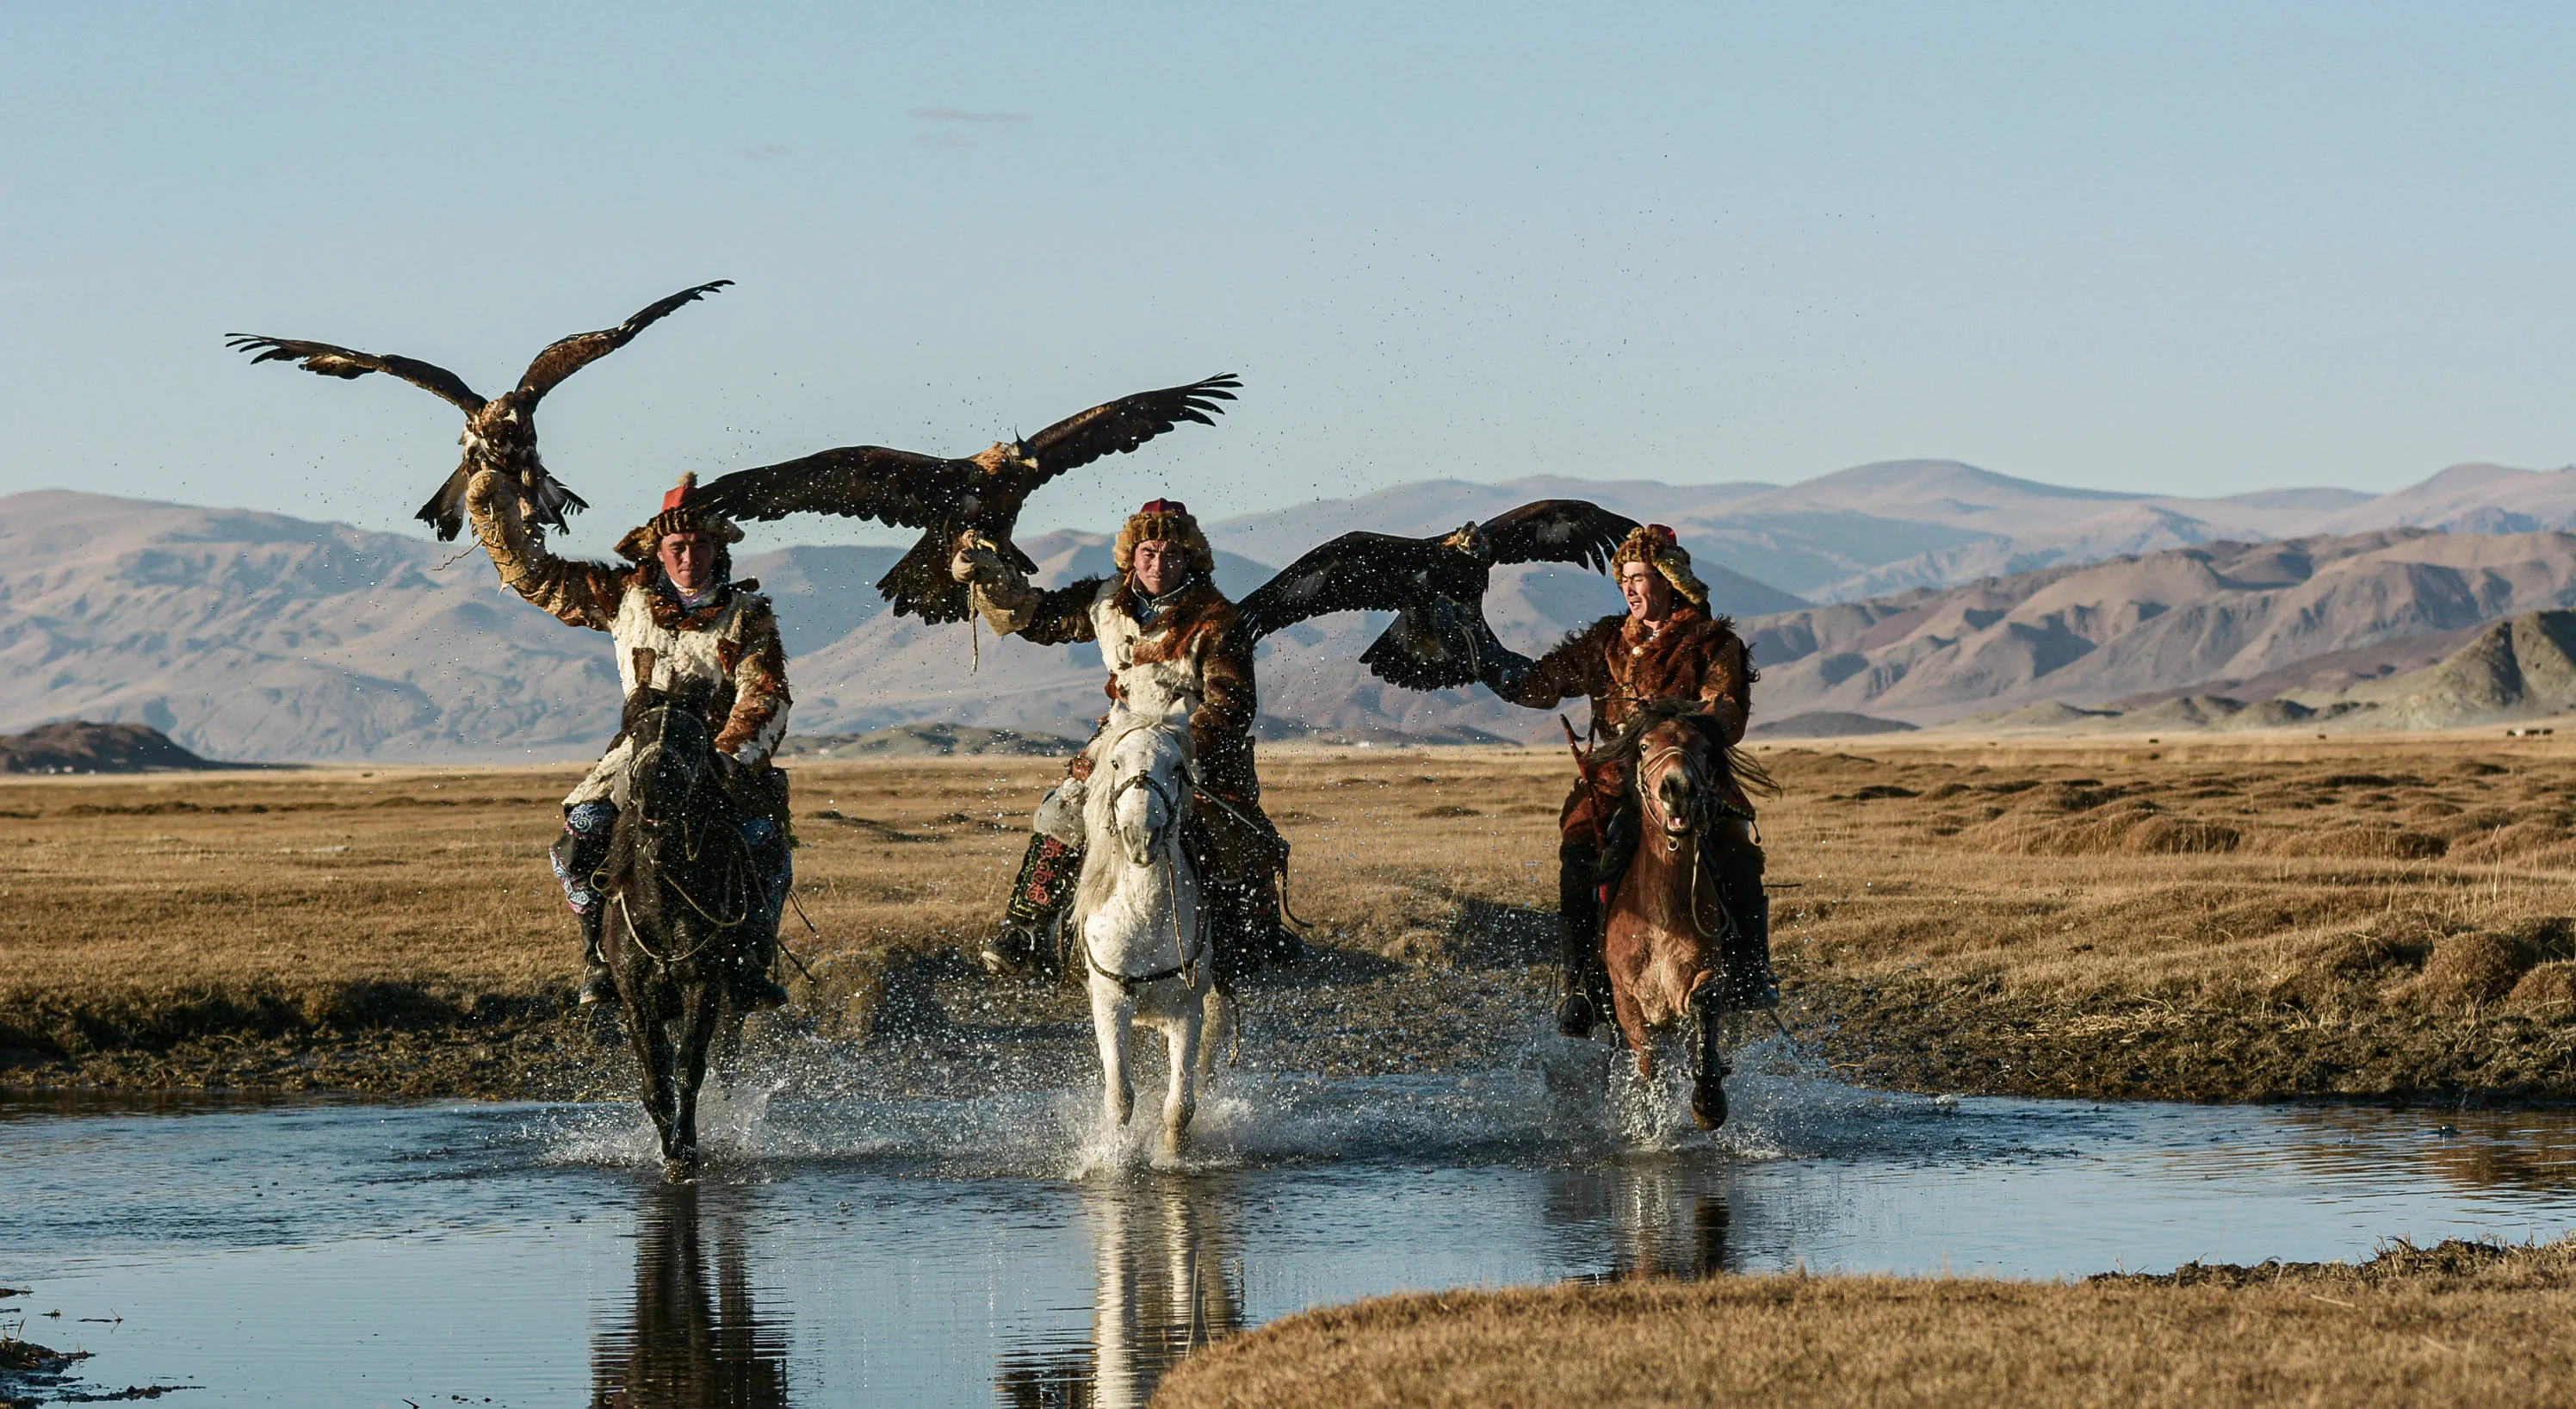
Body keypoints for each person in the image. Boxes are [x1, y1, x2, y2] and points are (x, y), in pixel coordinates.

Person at [465, 469, 796, 1010]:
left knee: (764, 841)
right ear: (658, 551)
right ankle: (598, 954)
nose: (688, 557)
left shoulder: (748, 616)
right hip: (636, 752)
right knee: (585, 830)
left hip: (715, 757)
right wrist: (493, 516)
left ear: (717, 549)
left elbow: (765, 691)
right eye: (677, 547)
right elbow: (542, 579)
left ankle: (750, 959)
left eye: (698, 545)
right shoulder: (624, 596)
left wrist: (731, 753)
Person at [951, 498, 1295, 981]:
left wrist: (1174, 750)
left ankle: (1251, 937)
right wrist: (988, 577)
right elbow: (1037, 617)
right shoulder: (1103, 602)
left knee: (1231, 832)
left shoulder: (1217, 618)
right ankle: (1026, 929)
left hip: (1197, 744)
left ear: (1190, 558)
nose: (1159, 565)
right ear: (1131, 555)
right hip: (1121, 735)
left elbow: (1230, 705)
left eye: (1172, 554)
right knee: (1062, 810)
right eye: (1149, 553)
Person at [1483, 524, 1773, 1035]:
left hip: (1691, 775)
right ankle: (1582, 987)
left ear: (1668, 579)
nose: (1631, 590)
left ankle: (1750, 971)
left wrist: (1667, 723)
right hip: (1616, 781)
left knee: (1738, 850)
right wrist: (1480, 652)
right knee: (1578, 855)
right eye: (1624, 581)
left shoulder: (1712, 643)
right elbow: (1539, 684)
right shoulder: (1605, 644)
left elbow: (1727, 714)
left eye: (1639, 577)